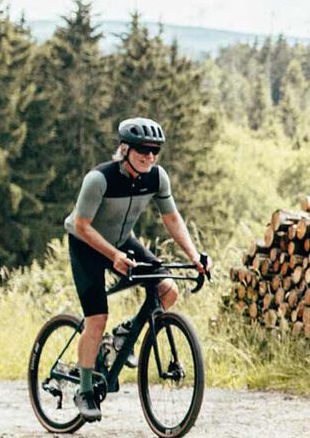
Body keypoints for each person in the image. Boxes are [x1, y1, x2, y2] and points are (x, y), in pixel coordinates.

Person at [64, 117, 209, 421]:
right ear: (124, 149)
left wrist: (195, 256)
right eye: (143, 149)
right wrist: (113, 255)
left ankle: (126, 333)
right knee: (97, 318)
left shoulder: (156, 178)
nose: (149, 156)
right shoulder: (99, 179)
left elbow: (171, 219)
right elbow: (81, 225)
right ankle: (86, 389)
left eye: (155, 150)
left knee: (168, 289)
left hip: (122, 240)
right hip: (86, 243)